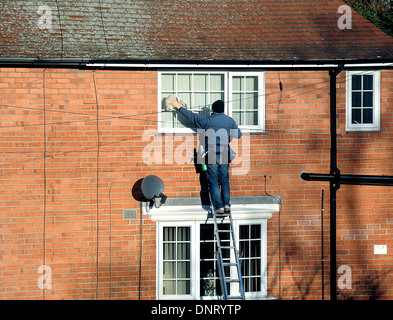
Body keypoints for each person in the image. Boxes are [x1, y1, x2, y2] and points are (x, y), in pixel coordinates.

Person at [170, 99, 242, 214]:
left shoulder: (207, 120)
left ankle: (218, 207)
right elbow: (238, 135)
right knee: (224, 180)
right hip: (224, 153)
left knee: (213, 181)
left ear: (213, 110)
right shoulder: (230, 121)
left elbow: (191, 116)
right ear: (223, 109)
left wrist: (178, 106)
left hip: (211, 153)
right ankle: (227, 204)